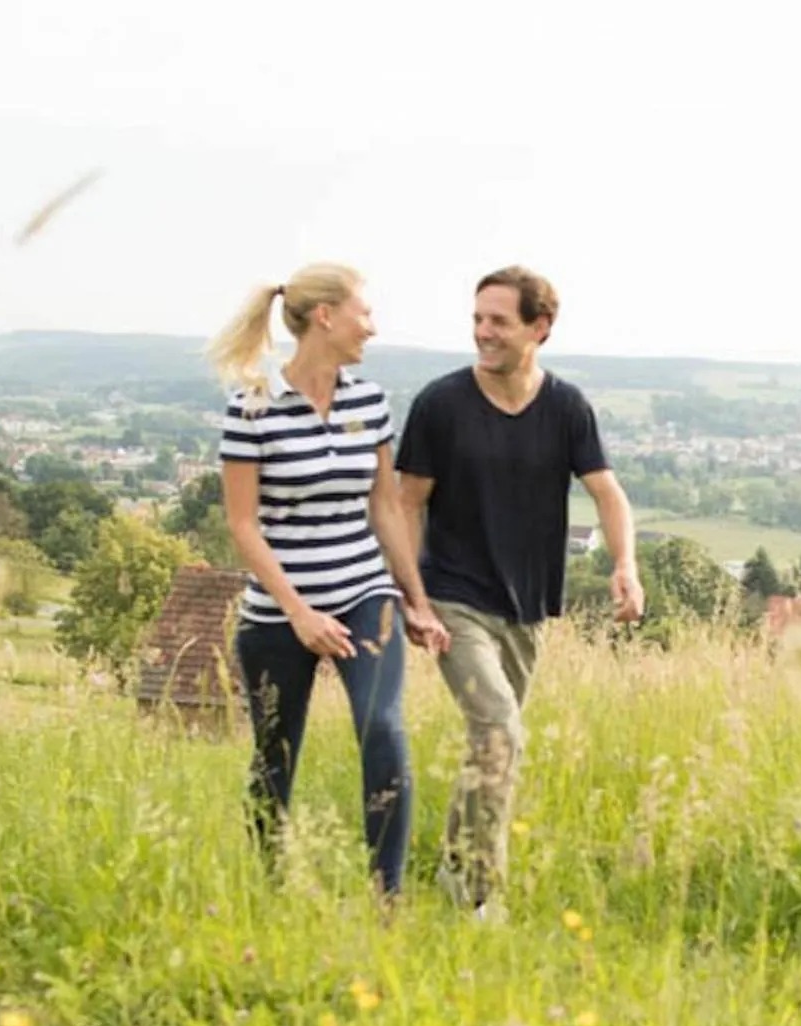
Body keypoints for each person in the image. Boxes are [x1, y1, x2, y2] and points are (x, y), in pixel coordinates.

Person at [394, 265, 643, 917]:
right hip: (452, 597)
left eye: (498, 321)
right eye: (477, 319)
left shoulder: (565, 407)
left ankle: (451, 867)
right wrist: (412, 596)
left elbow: (607, 493)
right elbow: (404, 503)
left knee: (490, 739)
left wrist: (626, 565)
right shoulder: (440, 404)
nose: (482, 332)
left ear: (539, 328)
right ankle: (482, 893)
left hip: (527, 607)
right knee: (500, 726)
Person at [208, 263, 451, 898]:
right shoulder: (252, 408)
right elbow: (243, 525)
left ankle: (386, 898)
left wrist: (415, 601)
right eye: (363, 313)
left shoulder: (368, 401)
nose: (371, 326)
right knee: (275, 754)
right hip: (279, 614)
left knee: (384, 729)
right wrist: (298, 613)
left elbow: (386, 507)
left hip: (364, 593)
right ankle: (269, 891)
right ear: (326, 317)